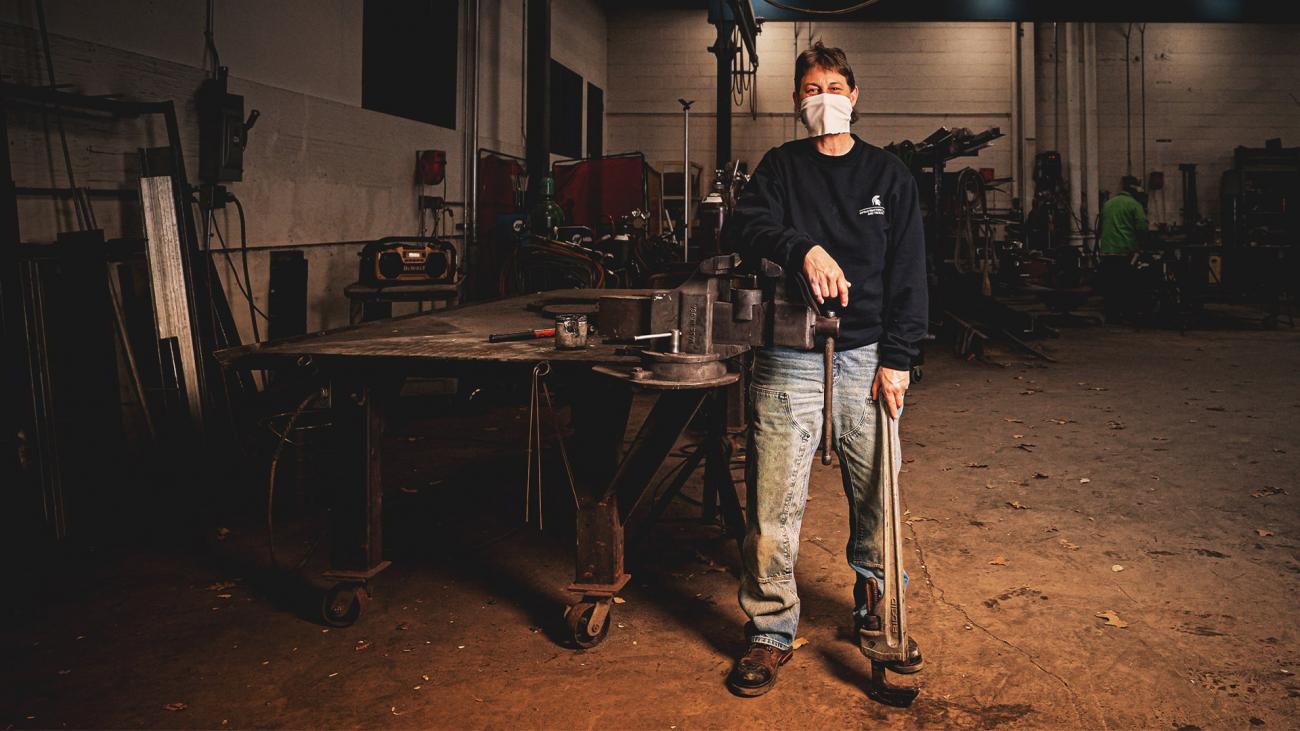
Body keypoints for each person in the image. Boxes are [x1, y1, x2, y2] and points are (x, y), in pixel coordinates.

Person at [721, 41, 928, 697]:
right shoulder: (780, 169)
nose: (824, 98)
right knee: (774, 508)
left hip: (868, 360)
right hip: (788, 358)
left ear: (855, 96)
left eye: (835, 86)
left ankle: (877, 612)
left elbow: (911, 277)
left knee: (878, 498)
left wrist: (899, 360)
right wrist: (802, 247)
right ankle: (769, 631)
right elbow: (745, 224)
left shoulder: (889, 176)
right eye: (812, 89)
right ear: (796, 102)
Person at [1097, 175, 1148, 323]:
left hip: (1107, 250)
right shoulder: (1133, 205)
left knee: (1111, 284)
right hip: (1124, 250)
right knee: (1125, 284)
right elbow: (1142, 228)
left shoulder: (1108, 204)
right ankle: (1126, 314)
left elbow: (1100, 227)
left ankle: (1111, 315)